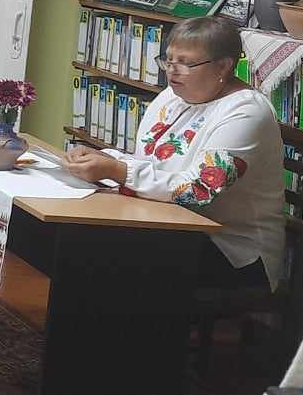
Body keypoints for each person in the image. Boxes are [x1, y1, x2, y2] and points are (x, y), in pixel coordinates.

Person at [61, 16, 283, 291]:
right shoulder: (174, 95)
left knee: (99, 253)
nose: (171, 71)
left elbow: (198, 190)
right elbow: (149, 162)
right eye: (168, 60)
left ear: (224, 65)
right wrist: (105, 158)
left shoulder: (247, 112)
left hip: (232, 251)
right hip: (169, 225)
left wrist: (117, 170)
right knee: (79, 239)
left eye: (185, 63)